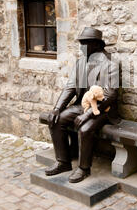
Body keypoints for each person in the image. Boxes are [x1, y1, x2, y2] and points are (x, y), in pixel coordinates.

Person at [46, 27, 120, 183]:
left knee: (85, 128)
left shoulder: (111, 64)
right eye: (81, 43)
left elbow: (111, 95)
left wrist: (88, 114)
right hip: (82, 105)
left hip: (103, 110)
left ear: (97, 45)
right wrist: (57, 108)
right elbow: (71, 87)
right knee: (56, 119)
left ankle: (84, 168)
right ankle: (63, 162)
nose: (81, 47)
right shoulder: (80, 63)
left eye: (85, 43)